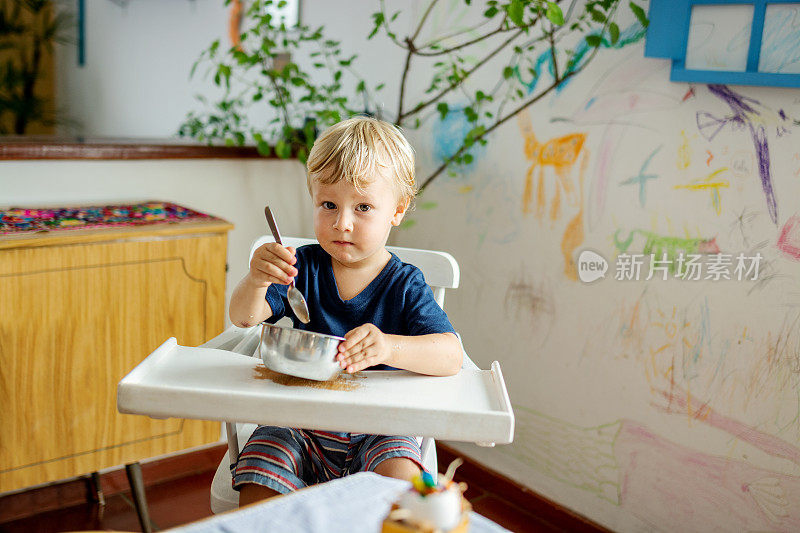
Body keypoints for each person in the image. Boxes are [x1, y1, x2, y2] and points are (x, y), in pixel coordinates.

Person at [228, 116, 463, 506]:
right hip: (298, 423)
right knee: (260, 473)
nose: (343, 223)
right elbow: (244, 318)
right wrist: (256, 280)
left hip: (381, 427)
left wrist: (389, 347)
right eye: (329, 204)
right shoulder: (301, 267)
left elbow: (450, 355)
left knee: (403, 487)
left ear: (397, 210)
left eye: (364, 206)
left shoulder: (404, 284)